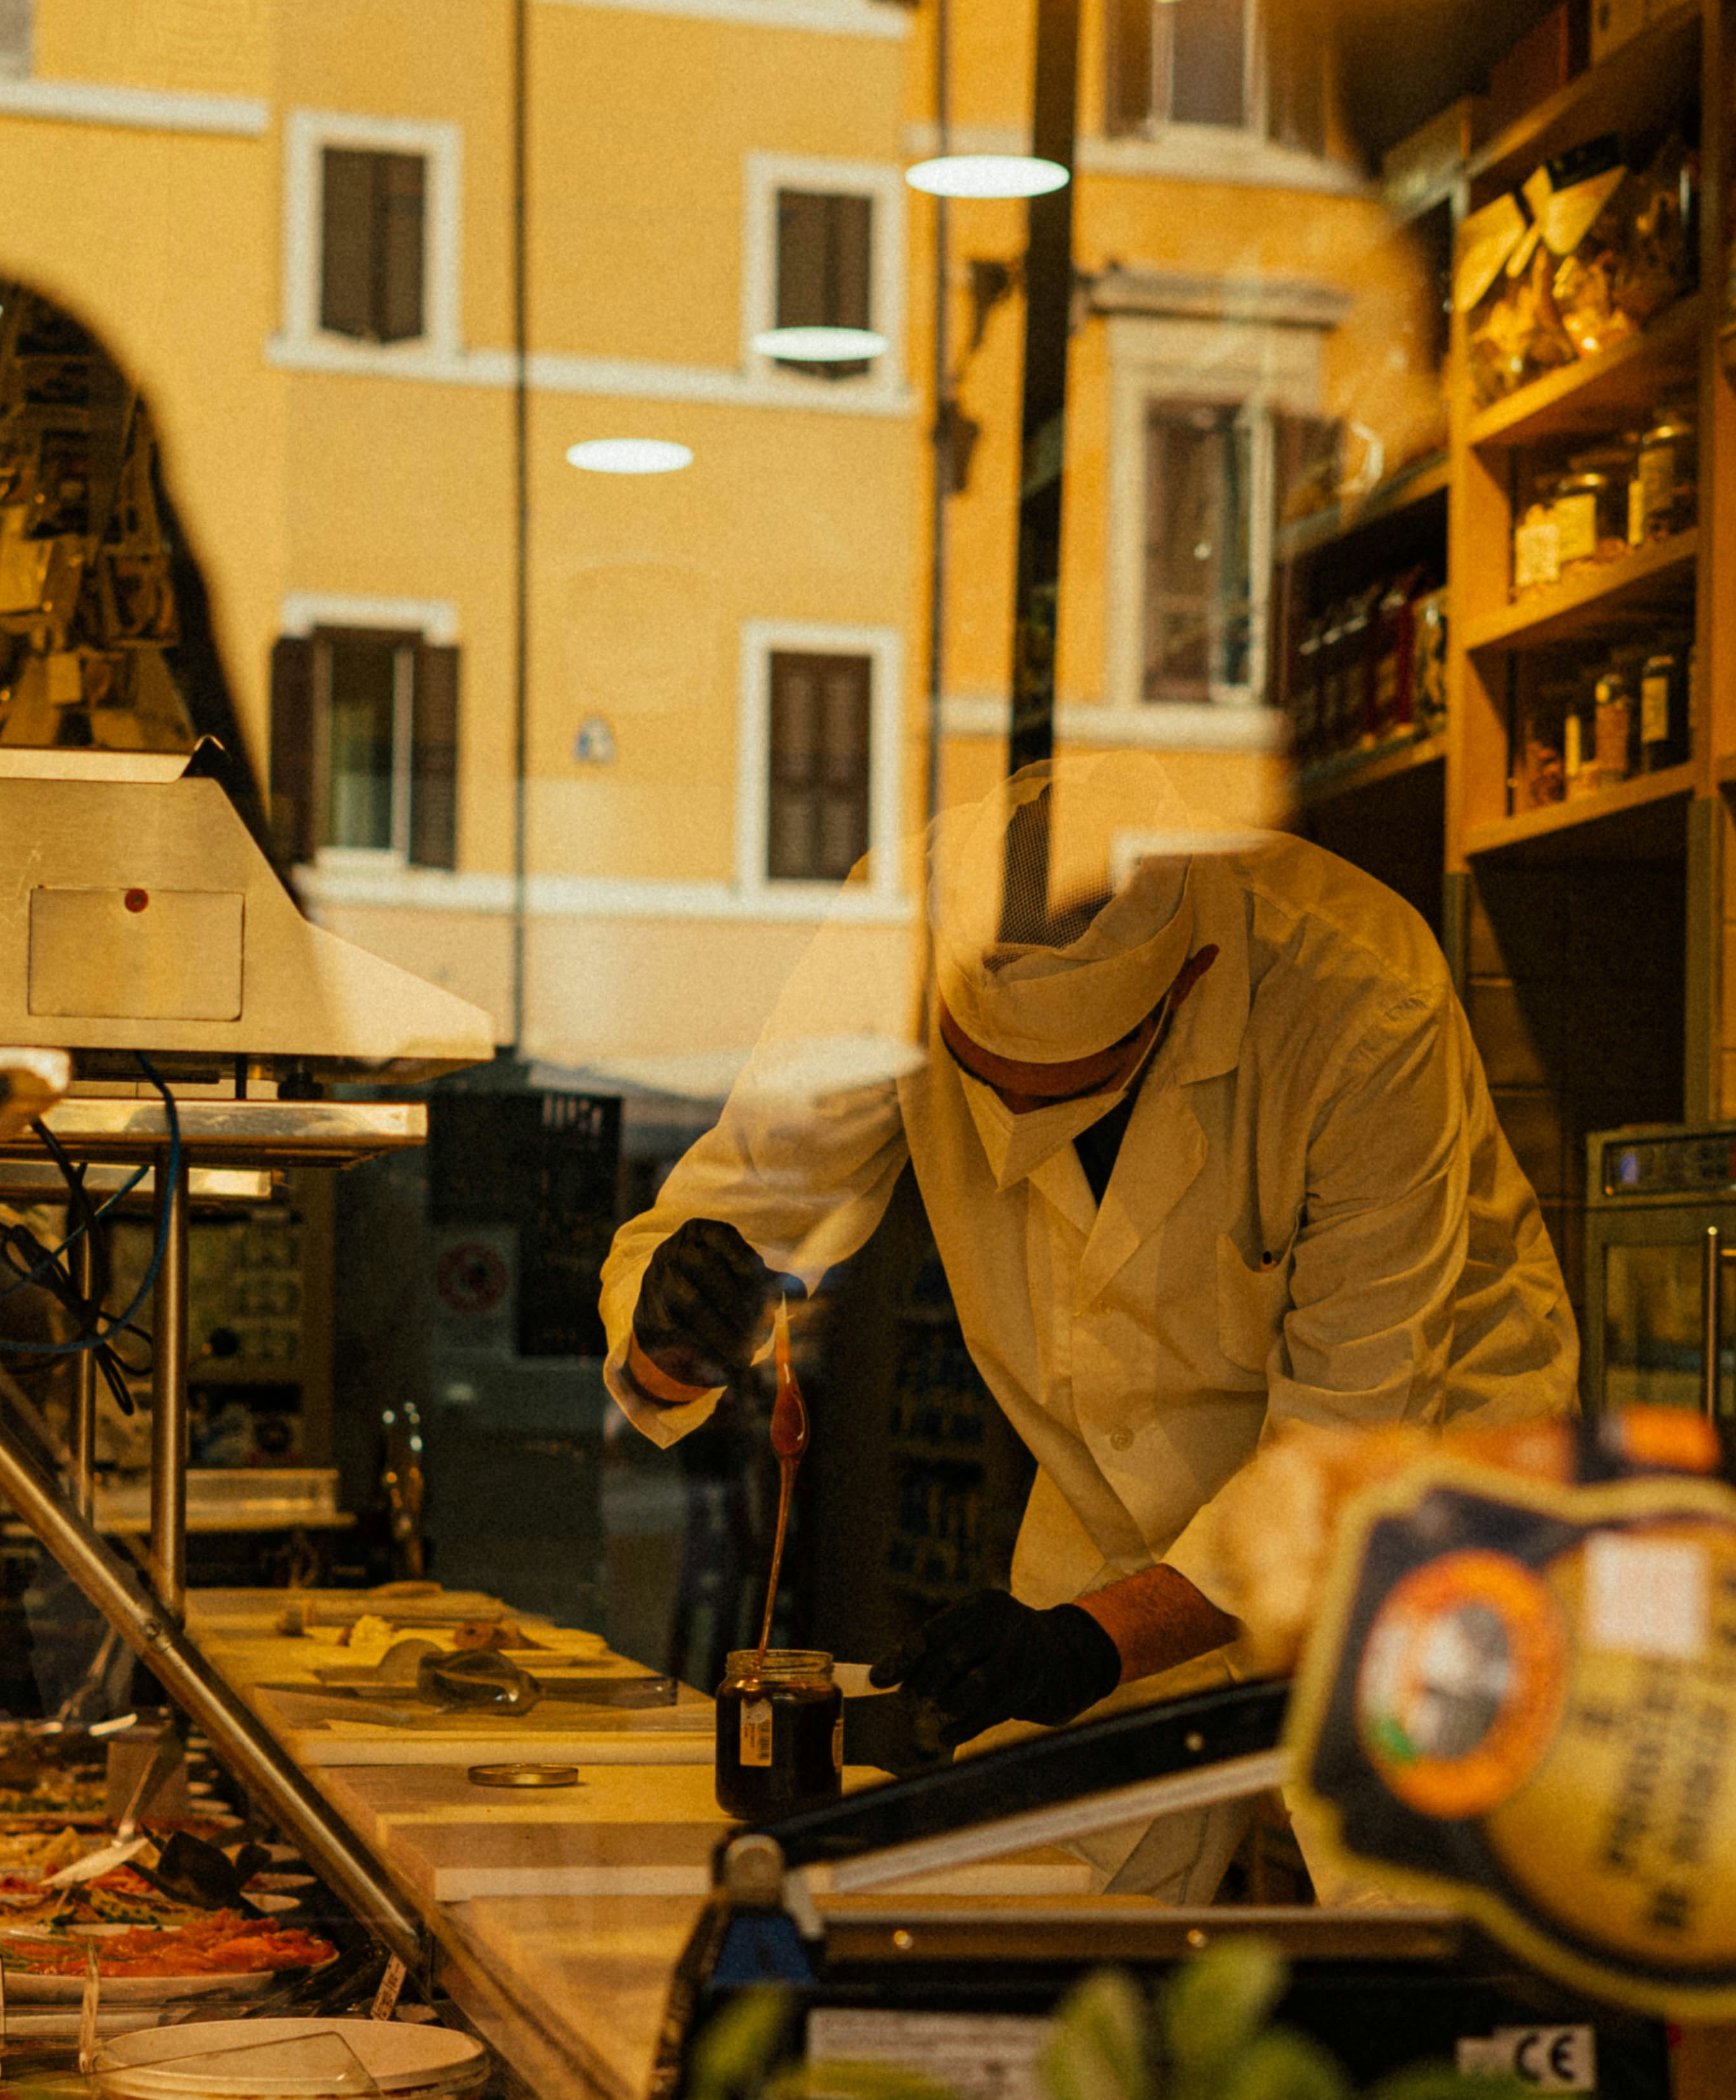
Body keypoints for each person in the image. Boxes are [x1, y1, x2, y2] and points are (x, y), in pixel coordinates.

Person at [594, 756, 1576, 1884]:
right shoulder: (891, 940)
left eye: (1064, 1092)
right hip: (1111, 1510)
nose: (1014, 1121)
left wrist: (1093, 1641)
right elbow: (746, 1204)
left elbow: (1346, 1443)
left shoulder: (1359, 987)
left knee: (1415, 1947)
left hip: (1417, 1522)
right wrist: (678, 1336)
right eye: (982, 1078)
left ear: (1187, 980)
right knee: (1047, 1913)